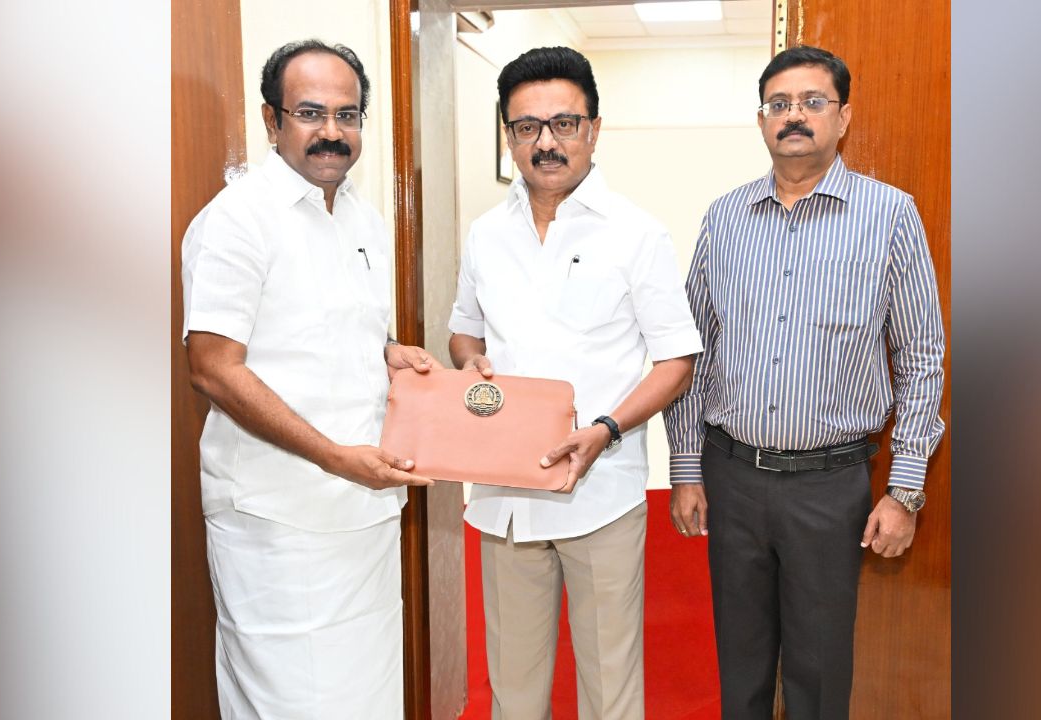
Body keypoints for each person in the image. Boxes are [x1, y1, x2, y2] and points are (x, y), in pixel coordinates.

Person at [663, 45, 946, 720]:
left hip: (830, 487)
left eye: (813, 103)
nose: (795, 117)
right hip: (733, 478)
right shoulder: (724, 218)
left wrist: (904, 491)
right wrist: (685, 468)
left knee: (821, 673)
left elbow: (922, 358)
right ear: (762, 120)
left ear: (843, 117)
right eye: (779, 104)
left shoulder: (890, 216)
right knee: (742, 664)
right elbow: (690, 350)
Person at [181, 39, 440, 718]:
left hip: (364, 515)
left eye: (348, 115)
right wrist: (333, 457)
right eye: (310, 113)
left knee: (366, 698)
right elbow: (211, 366)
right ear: (272, 121)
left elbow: (321, 329)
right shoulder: (237, 221)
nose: (332, 132)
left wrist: (388, 352)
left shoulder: (359, 213)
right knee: (294, 701)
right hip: (280, 523)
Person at [448, 46, 702, 720]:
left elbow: (677, 358)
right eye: (527, 127)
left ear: (592, 128)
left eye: (564, 123)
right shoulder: (484, 234)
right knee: (514, 688)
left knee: (609, 688)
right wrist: (471, 363)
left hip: (601, 492)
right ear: (508, 137)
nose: (547, 142)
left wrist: (608, 430)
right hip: (505, 494)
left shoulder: (637, 234)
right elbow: (463, 331)